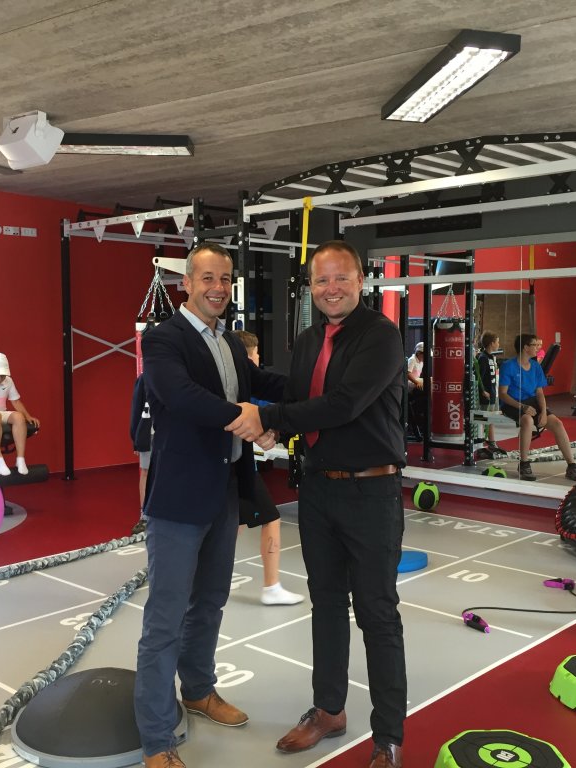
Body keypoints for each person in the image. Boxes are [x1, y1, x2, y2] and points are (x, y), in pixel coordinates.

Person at [226, 240, 408, 768]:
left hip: (371, 492)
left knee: (376, 613)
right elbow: (301, 399)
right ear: (311, 287)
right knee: (326, 604)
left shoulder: (382, 336)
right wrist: (274, 425)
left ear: (360, 280)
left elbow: (342, 404)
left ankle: (388, 736)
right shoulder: (308, 341)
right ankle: (329, 710)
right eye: (321, 280)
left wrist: (268, 418)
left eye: (341, 278)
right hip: (319, 491)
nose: (331, 289)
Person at [135, 243, 286, 768]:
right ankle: (156, 738)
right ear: (187, 283)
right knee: (165, 618)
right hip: (179, 499)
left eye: (225, 279)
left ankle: (198, 689)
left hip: (224, 491)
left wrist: (321, 385)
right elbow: (179, 395)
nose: (218, 288)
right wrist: (248, 419)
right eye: (207, 278)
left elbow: (263, 383)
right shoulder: (163, 338)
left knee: (210, 602)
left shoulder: (228, 342)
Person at [232, 329, 305, 606]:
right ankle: (271, 587)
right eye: (256, 355)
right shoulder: (243, 385)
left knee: (234, 522)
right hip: (239, 467)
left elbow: (267, 414)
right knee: (271, 519)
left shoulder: (241, 385)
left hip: (236, 464)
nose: (258, 359)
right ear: (249, 357)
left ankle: (214, 572)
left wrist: (270, 429)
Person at [499, 333, 576, 482]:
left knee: (557, 423)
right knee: (527, 420)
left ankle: (571, 465)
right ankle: (524, 464)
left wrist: (543, 412)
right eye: (535, 345)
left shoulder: (536, 366)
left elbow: (539, 393)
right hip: (512, 402)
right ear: (525, 347)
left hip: (532, 402)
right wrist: (522, 407)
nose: (538, 348)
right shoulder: (508, 366)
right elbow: (503, 394)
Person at [474, 331, 505, 455]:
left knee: (492, 418)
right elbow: (478, 377)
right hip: (485, 396)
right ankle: (479, 444)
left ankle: (492, 442)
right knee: (483, 419)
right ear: (492, 343)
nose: (498, 344)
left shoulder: (491, 357)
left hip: (493, 394)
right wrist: (483, 391)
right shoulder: (482, 358)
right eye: (497, 342)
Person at [129, 373, 152, 535]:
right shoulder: (144, 379)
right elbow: (136, 408)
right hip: (148, 433)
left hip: (169, 433)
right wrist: (136, 438)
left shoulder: (175, 376)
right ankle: (144, 516)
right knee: (146, 472)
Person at [405, 341, 427, 440]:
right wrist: (416, 382)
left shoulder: (421, 362)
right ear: (418, 353)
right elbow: (407, 373)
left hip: (415, 382)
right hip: (409, 384)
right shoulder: (412, 360)